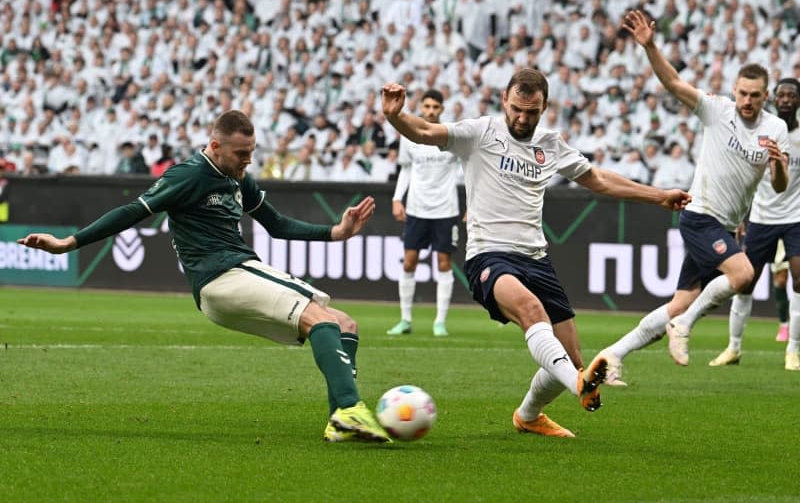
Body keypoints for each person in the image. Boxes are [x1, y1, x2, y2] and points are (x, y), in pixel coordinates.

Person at [16, 110, 391, 443]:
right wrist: (69, 243)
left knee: (344, 324)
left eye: (252, 152)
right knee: (320, 319)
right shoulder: (189, 174)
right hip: (221, 275)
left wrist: (335, 233)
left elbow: (276, 224)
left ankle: (340, 423)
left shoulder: (238, 178)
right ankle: (349, 407)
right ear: (215, 145)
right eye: (241, 153)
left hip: (235, 276)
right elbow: (133, 211)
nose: (248, 160)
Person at [381, 68, 691, 438]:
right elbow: (427, 132)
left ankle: (529, 415)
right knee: (532, 312)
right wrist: (396, 116)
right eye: (517, 109)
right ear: (504, 102)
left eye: (532, 112)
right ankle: (580, 384)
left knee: (571, 356)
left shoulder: (550, 143)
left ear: (545, 107)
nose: (523, 118)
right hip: (489, 256)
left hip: (536, 259)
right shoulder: (480, 132)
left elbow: (600, 180)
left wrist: (659, 195)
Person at [600, 11, 789, 386]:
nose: (747, 101)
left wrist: (778, 164)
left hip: (726, 226)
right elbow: (672, 82)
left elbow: (779, 185)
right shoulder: (716, 110)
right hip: (699, 215)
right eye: (742, 93)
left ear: (765, 96)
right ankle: (683, 326)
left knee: (679, 302)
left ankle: (611, 356)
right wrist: (651, 46)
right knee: (744, 274)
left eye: (755, 95)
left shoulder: (775, 128)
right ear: (734, 90)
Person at [709, 77, 800, 371]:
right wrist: (741, 217)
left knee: (799, 280)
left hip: (795, 217)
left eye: (792, 95)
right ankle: (734, 348)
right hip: (761, 218)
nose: (786, 99)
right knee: (744, 282)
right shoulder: (763, 132)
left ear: (798, 101)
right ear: (774, 98)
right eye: (782, 95)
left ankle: (794, 350)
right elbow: (746, 177)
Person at [387, 89, 461, 337]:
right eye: (427, 106)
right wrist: (398, 198)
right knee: (409, 262)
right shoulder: (408, 136)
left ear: (442, 109)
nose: (430, 111)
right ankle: (405, 319)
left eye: (435, 107)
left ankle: (440, 322)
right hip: (417, 208)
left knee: (444, 263)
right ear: (421, 108)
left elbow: (469, 169)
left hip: (446, 209)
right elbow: (406, 169)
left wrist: (472, 203)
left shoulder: (451, 135)